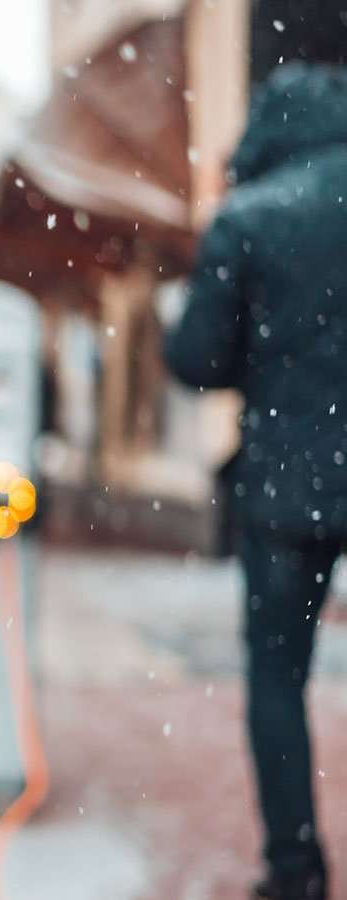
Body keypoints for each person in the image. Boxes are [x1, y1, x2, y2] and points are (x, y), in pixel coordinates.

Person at [165, 62, 347, 900]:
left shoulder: (249, 216)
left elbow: (195, 359)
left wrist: (263, 356)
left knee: (278, 677)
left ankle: (295, 869)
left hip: (286, 484)